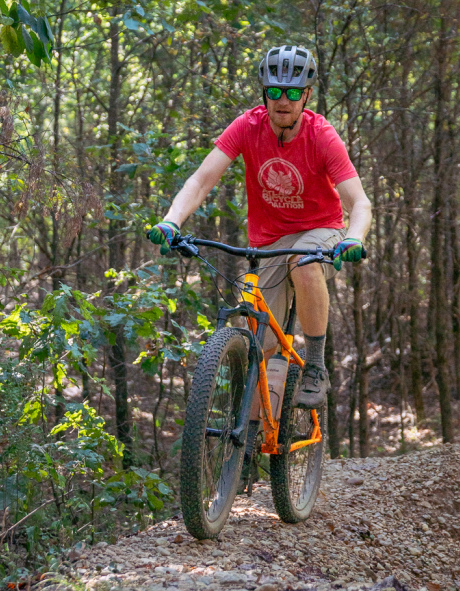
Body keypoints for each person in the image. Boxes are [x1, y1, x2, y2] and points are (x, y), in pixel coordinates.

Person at [147, 44, 372, 408]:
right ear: (264, 93)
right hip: (268, 241)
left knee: (304, 261)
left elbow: (359, 202)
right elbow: (201, 181)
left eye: (294, 92)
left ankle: (315, 366)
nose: (283, 100)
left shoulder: (321, 135)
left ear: (307, 95)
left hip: (321, 231)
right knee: (260, 353)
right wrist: (172, 220)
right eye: (275, 91)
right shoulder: (247, 127)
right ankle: (247, 449)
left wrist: (354, 237)